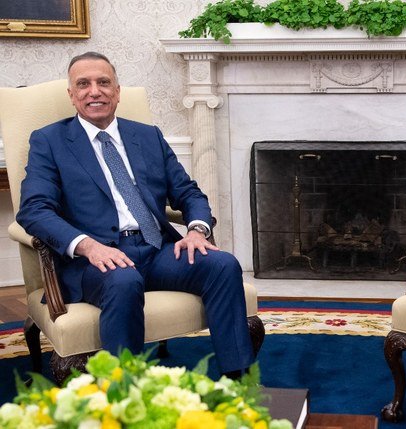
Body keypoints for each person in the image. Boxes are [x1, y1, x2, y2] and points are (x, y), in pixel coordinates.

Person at [16, 51, 254, 376]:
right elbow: (34, 210)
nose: (94, 91)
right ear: (71, 95)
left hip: (156, 250)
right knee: (124, 280)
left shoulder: (147, 136)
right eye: (83, 84)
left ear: (116, 90)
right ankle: (125, 392)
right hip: (95, 261)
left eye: (103, 82)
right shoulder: (50, 141)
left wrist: (197, 230)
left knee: (223, 264)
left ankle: (237, 380)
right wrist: (87, 246)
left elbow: (187, 192)